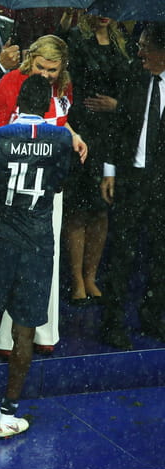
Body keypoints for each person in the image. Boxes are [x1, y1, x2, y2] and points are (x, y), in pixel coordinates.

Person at [0, 75, 71, 437]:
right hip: (36, 244)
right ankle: (8, 414)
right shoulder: (61, 138)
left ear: (16, 104)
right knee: (24, 330)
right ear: (46, 105)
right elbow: (58, 184)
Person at [0, 34, 86, 355]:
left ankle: (43, 333)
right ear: (31, 60)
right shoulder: (10, 84)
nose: (46, 75)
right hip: (13, 187)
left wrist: (74, 135)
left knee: (45, 262)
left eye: (53, 70)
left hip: (47, 185)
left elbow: (58, 122)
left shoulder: (65, 86)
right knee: (10, 263)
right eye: (41, 67)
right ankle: (4, 339)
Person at [57, 14, 136, 305]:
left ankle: (91, 276)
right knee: (78, 209)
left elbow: (130, 88)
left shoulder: (122, 43)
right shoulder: (76, 40)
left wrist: (118, 106)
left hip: (113, 133)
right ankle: (76, 279)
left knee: (101, 210)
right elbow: (64, 78)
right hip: (82, 130)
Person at [99, 22, 165, 350]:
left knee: (160, 255)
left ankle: (153, 316)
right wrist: (109, 170)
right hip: (130, 179)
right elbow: (118, 127)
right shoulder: (133, 75)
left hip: (162, 185)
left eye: (145, 46)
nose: (138, 52)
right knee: (121, 254)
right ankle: (112, 323)